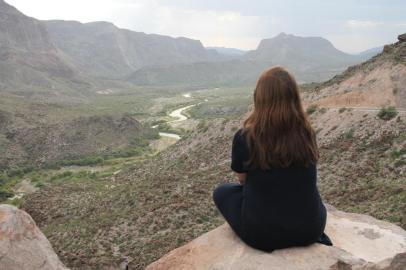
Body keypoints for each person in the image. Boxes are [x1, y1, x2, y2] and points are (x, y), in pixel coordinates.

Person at [212, 66, 332, 251]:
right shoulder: (306, 132)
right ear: (293, 97)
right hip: (310, 230)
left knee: (222, 192)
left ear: (259, 97)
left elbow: (242, 179)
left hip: (262, 235)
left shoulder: (245, 137)